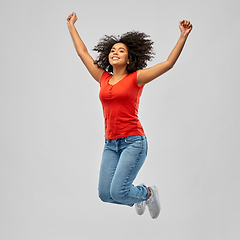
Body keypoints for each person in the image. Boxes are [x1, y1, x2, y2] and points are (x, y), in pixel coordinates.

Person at [67, 12, 193, 219]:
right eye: (113, 50)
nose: (115, 52)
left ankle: (148, 193)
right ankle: (139, 197)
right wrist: (71, 25)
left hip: (133, 142)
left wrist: (183, 36)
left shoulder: (137, 78)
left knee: (118, 192)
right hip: (110, 144)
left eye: (121, 50)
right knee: (104, 195)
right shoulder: (103, 78)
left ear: (129, 58)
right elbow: (82, 53)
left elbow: (168, 64)